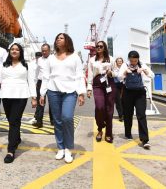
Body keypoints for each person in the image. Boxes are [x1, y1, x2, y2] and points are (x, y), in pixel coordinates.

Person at [40, 33, 86, 164]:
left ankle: (68, 148)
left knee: (67, 117)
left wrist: (81, 93)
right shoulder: (50, 59)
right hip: (53, 91)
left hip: (70, 91)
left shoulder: (75, 57)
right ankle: (60, 147)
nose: (58, 40)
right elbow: (46, 77)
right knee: (57, 120)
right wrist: (42, 93)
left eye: (61, 38)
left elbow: (79, 75)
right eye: (57, 38)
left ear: (67, 41)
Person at [0, 43, 37, 163]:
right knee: (12, 120)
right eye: (12, 49)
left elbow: (31, 81)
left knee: (14, 121)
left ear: (20, 52)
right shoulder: (3, 65)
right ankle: (17, 138)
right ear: (10, 51)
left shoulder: (27, 65)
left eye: (17, 49)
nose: (14, 51)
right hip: (6, 95)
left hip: (21, 95)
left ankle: (11, 150)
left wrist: (34, 97)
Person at [116, 50, 154, 149]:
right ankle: (128, 133)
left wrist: (144, 71)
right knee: (128, 114)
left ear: (138, 59)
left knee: (141, 115)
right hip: (128, 92)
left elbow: (152, 75)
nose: (133, 62)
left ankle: (145, 140)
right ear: (129, 59)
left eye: (135, 60)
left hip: (140, 93)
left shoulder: (142, 64)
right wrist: (125, 72)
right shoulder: (125, 65)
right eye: (132, 60)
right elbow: (119, 77)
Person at [86, 41, 116, 143]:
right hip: (97, 84)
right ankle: (100, 128)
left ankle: (108, 133)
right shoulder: (91, 60)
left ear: (104, 47)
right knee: (99, 107)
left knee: (109, 110)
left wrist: (111, 72)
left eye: (101, 46)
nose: (98, 48)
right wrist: (89, 88)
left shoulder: (111, 59)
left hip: (109, 83)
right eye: (97, 46)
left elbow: (117, 72)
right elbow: (90, 75)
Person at [33, 44, 54, 128]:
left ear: (49, 50)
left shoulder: (53, 59)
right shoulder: (39, 60)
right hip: (41, 82)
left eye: (46, 50)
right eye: (43, 51)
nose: (44, 52)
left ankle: (53, 121)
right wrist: (35, 82)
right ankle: (39, 121)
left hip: (51, 82)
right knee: (40, 103)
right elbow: (36, 72)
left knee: (52, 103)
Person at [112, 57, 125, 122]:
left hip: (124, 86)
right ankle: (121, 115)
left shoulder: (125, 68)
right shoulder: (114, 69)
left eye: (121, 61)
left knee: (124, 100)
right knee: (118, 101)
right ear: (116, 62)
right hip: (116, 86)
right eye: (118, 61)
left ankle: (124, 114)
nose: (119, 62)